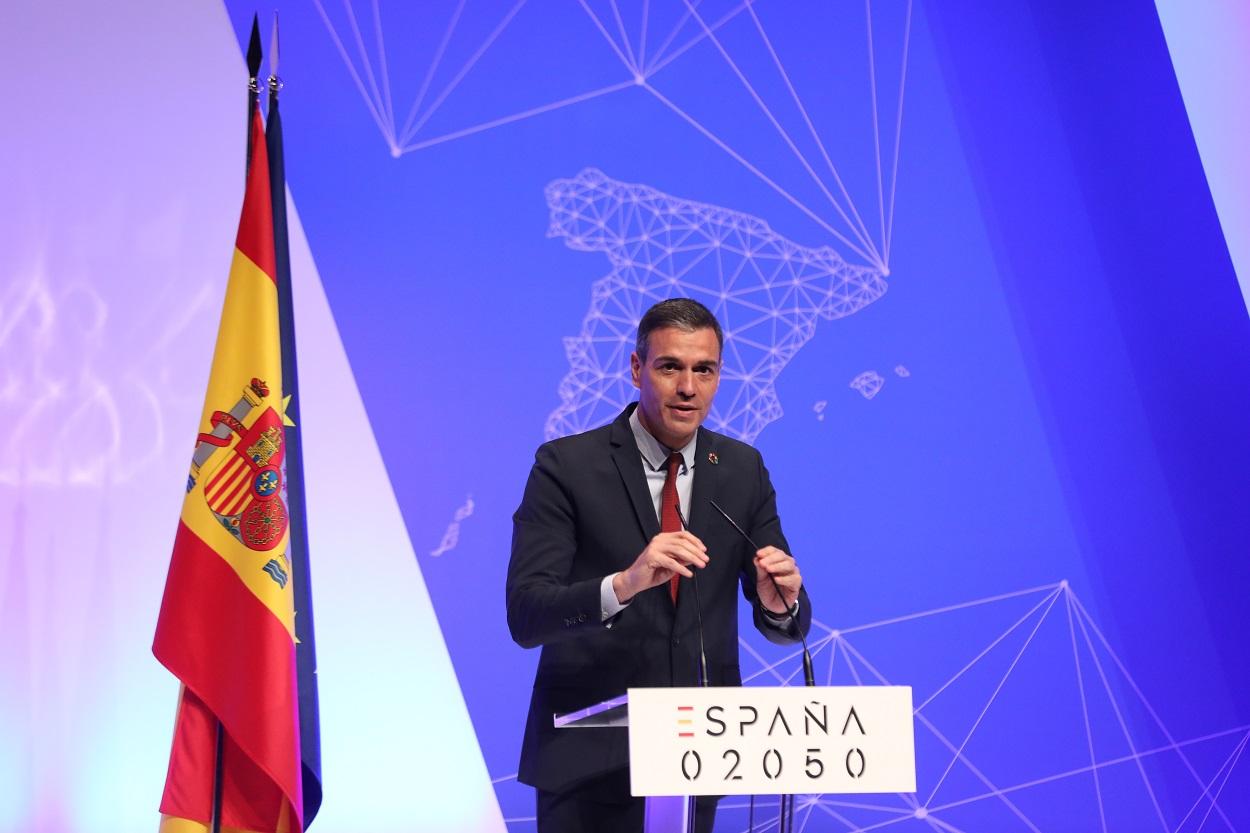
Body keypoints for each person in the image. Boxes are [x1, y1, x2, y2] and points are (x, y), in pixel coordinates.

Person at [507, 298, 812, 833]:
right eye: (670, 367)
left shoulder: (742, 469)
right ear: (635, 369)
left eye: (705, 370)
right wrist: (625, 584)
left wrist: (778, 604)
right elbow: (527, 615)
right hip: (587, 767)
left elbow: (788, 618)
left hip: (700, 759)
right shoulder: (566, 466)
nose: (688, 388)